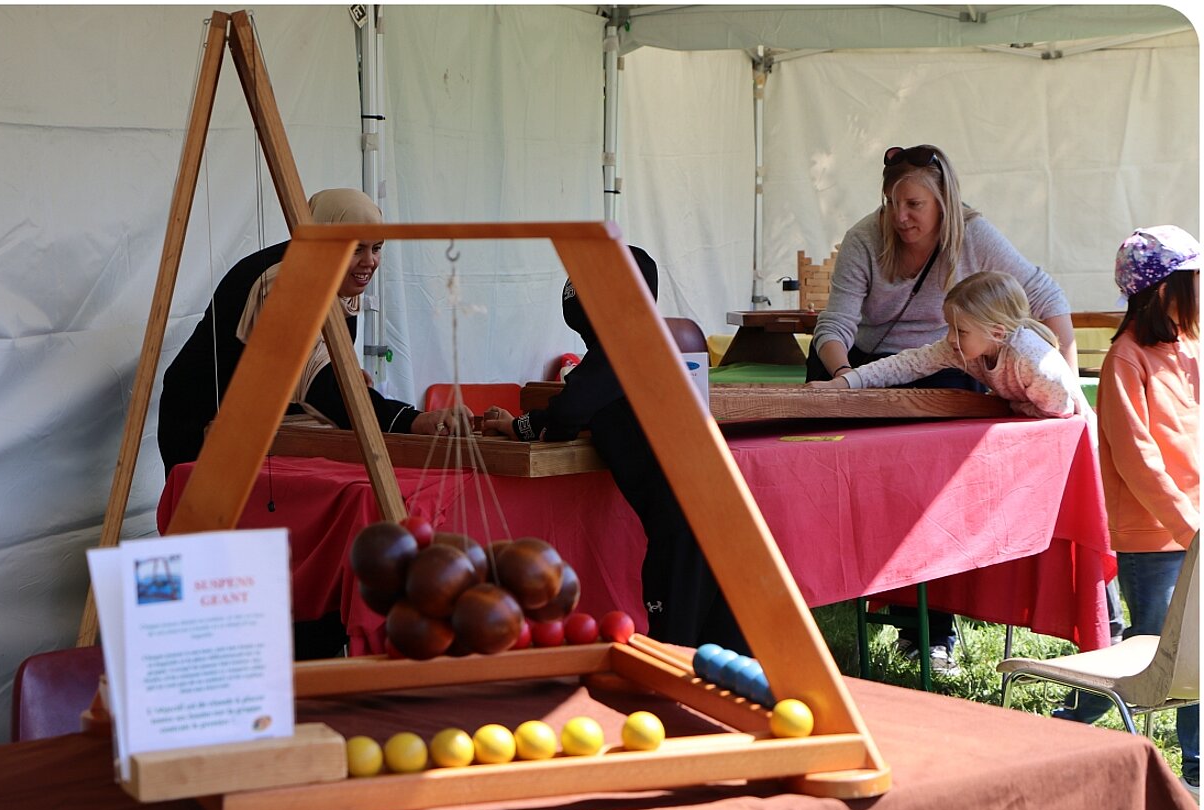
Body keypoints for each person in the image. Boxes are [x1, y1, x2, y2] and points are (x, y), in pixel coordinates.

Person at [807, 144, 1079, 668]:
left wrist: (1064, 377)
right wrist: (844, 381)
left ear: (944, 202)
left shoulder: (974, 235)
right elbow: (835, 324)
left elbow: (1047, 296)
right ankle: (827, 584)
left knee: (928, 492)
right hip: (873, 364)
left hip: (950, 362)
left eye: (914, 204)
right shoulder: (867, 236)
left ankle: (930, 629)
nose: (900, 216)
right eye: (891, 203)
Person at [481, 247, 749, 653]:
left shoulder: (618, 354)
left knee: (673, 650)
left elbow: (568, 413)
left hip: (682, 527)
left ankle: (671, 712)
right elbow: (592, 407)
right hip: (721, 514)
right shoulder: (650, 354)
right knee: (722, 651)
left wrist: (519, 426)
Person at [157, 188, 470, 477]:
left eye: (377, 248)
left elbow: (324, 364)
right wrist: (409, 420)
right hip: (200, 422)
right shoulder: (283, 286)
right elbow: (320, 388)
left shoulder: (338, 274)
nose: (370, 262)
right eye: (356, 248)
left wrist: (342, 372)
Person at [1057, 225, 1199, 798]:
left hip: (1193, 529)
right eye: (1193, 281)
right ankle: (1072, 726)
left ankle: (1195, 764)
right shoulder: (1124, 360)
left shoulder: (1189, 350)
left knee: (1192, 650)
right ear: (1163, 289)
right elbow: (1139, 459)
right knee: (1159, 650)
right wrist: (1189, 527)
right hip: (1156, 536)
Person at [807, 270, 1091, 421]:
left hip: (1067, 436)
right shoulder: (961, 348)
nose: (951, 338)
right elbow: (904, 365)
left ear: (996, 332)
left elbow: (1061, 409)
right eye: (950, 327)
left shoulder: (1029, 357)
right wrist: (843, 384)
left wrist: (1011, 405)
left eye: (961, 330)